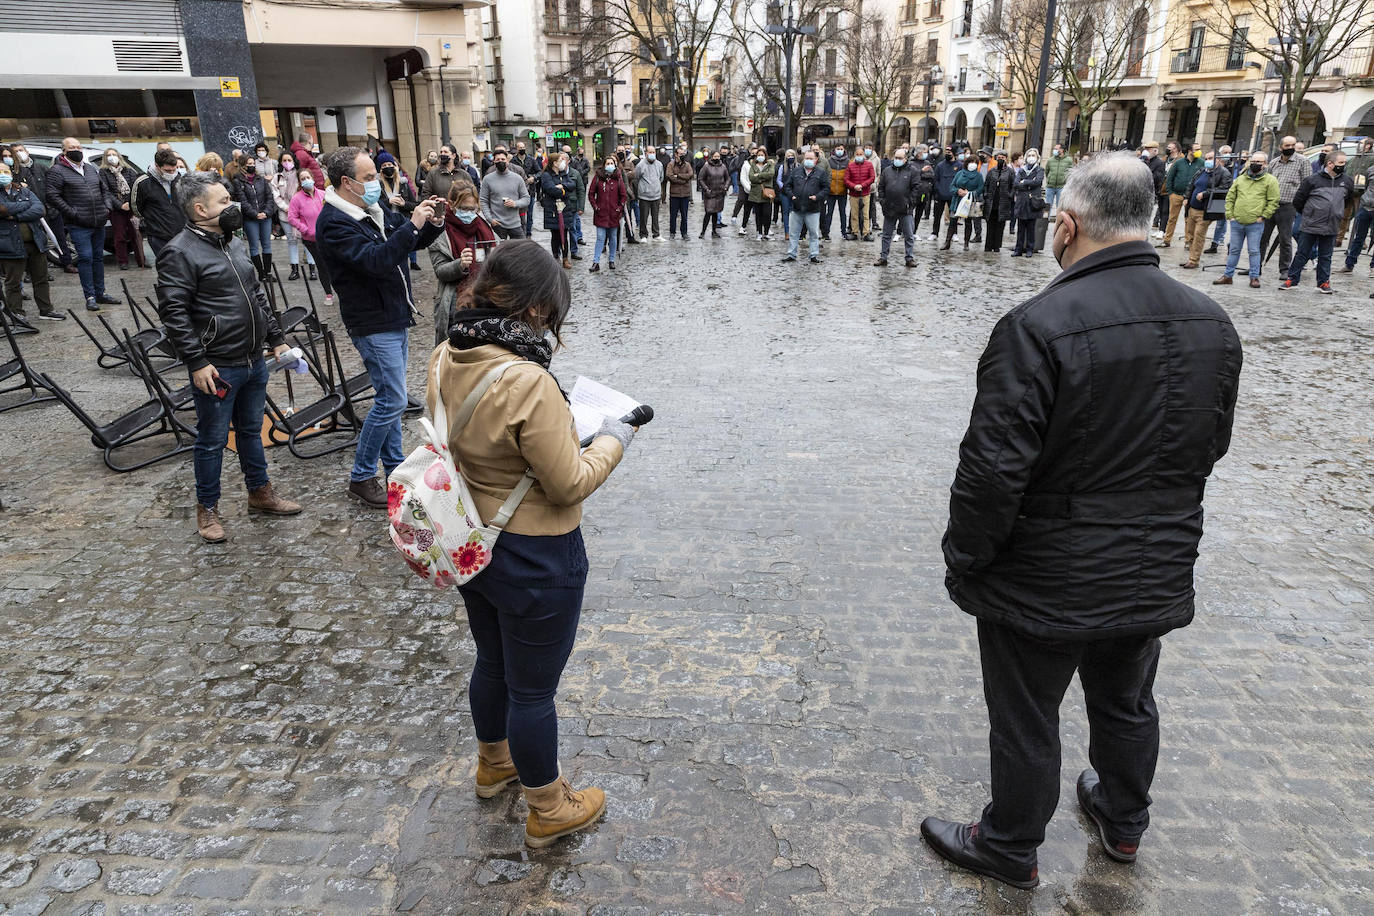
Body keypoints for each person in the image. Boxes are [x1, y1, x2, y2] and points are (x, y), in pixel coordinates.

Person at [922, 153, 1242, 891]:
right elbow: (1210, 444)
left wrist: (968, 558)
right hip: (1152, 554)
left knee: (1028, 711)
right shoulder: (1211, 321)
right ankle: (1123, 820)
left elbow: (993, 469)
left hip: (1045, 568)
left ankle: (1009, 843)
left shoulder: (1038, 324)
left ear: (1066, 226)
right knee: (1127, 697)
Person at [431, 240, 633, 849]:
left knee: (493, 661)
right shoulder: (527, 379)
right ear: (541, 311)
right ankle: (549, 806)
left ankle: (494, 765)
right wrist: (613, 441)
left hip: (472, 541)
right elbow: (568, 481)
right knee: (534, 690)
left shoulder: (447, 352)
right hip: (537, 553)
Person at [154, 172, 303, 543]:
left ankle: (260, 492)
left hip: (253, 359)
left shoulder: (233, 242)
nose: (232, 206)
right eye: (223, 201)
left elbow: (258, 296)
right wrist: (197, 362)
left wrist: (277, 339)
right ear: (200, 209)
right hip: (218, 366)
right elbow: (174, 314)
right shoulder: (178, 251)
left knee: (251, 431)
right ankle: (207, 510)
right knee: (212, 439)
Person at [316, 146, 443, 507]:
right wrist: (413, 224)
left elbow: (407, 241)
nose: (378, 183)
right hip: (371, 320)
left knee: (391, 398)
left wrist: (430, 223)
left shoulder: (371, 208)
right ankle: (361, 476)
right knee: (392, 401)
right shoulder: (335, 222)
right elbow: (376, 261)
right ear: (347, 182)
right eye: (370, 177)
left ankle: (395, 468)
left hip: (393, 312)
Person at [46, 138, 118, 311]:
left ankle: (101, 293)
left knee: (98, 257)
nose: (76, 150)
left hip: (98, 220)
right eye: (72, 147)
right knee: (85, 258)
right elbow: (52, 195)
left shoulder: (90, 168)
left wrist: (106, 206)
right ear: (64, 151)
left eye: (78, 147)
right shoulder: (57, 171)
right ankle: (90, 296)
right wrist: (72, 212)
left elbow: (104, 190)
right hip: (78, 223)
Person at [428, 183, 495, 342]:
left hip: (484, 300)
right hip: (455, 303)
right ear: (451, 205)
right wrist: (460, 265)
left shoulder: (483, 226)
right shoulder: (441, 231)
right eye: (464, 208)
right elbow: (440, 271)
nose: (470, 213)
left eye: (473, 209)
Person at [1281, 151, 1355, 294]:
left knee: (1326, 256)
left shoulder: (1347, 181)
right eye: (1341, 163)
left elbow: (1347, 200)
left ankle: (1323, 283)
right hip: (1311, 224)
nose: (1343, 165)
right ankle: (1292, 279)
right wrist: (1310, 214)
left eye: (1344, 163)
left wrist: (1336, 213)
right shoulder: (1312, 180)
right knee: (1302, 253)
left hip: (1332, 225)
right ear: (1330, 164)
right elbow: (1298, 201)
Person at [0, 160, 60, 323]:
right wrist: (24, 206)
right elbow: (2, 209)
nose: (3, 175)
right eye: (0, 172)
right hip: (10, 244)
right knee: (13, 282)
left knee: (41, 278)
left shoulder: (22, 190)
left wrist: (16, 214)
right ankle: (17, 314)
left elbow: (39, 209)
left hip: (35, 241)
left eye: (6, 172)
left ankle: (46, 310)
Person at [1215, 151, 1279, 289]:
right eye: (1253, 161)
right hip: (1237, 221)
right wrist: (1230, 215)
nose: (1255, 164)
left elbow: (1273, 201)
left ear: (1265, 164)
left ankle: (1254, 277)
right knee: (1234, 250)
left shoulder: (1270, 180)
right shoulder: (1240, 179)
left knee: (1254, 250)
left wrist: (1263, 217)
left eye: (1259, 162)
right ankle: (1228, 275)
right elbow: (1230, 197)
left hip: (1255, 223)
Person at [10, 143, 74, 274]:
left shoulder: (41, 167)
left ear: (26, 151)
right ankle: (35, 271)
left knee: (60, 238)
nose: (19, 153)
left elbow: (53, 187)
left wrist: (54, 206)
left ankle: (67, 263)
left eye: (20, 150)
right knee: (36, 242)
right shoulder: (14, 173)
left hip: (51, 210)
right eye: (15, 152)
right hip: (31, 212)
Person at [286, 169, 333, 304]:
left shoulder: (324, 194)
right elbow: (292, 217)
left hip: (328, 236)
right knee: (322, 265)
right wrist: (304, 229)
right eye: (302, 178)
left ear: (312, 178)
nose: (306, 180)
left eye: (307, 177)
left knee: (334, 263)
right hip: (311, 239)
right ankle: (328, 294)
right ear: (300, 182)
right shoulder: (297, 198)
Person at [1262, 136, 1307, 277]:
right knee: (1263, 237)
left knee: (1285, 238)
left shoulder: (1302, 162)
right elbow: (1266, 182)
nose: (1290, 148)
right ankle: (1255, 267)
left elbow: (1306, 184)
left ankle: (1285, 269)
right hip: (1271, 204)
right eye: (1287, 145)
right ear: (1280, 147)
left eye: (1292, 145)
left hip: (1288, 205)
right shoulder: (1274, 163)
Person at [1181, 149, 1231, 270]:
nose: (1208, 161)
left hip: (1205, 210)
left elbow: (1224, 189)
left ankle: (1194, 260)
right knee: (1190, 235)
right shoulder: (1202, 170)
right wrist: (1186, 197)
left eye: (1211, 158)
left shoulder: (1224, 173)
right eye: (1207, 158)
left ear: (1218, 160)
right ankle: (1191, 257)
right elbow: (1191, 184)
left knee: (1199, 235)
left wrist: (1205, 194)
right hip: (1192, 208)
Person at [99, 148, 147, 270]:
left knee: (136, 235)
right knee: (119, 236)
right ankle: (123, 261)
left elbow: (135, 187)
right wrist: (120, 205)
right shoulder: (103, 173)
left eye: (114, 154)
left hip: (131, 207)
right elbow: (106, 191)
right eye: (109, 155)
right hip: (117, 210)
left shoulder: (129, 171)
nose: (112, 157)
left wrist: (131, 204)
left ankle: (141, 260)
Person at [230, 155, 276, 281]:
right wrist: (255, 214)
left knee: (267, 245)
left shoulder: (260, 179)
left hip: (265, 217)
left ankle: (268, 272)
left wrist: (266, 212)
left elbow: (269, 197)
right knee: (254, 246)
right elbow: (242, 201)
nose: (252, 165)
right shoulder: (237, 181)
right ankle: (261, 273)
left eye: (253, 163)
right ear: (243, 165)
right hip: (251, 219)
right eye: (249, 163)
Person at [873, 147, 919, 268]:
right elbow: (881, 187)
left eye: (900, 158)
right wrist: (883, 201)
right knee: (886, 235)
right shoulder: (887, 171)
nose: (897, 160)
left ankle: (909, 258)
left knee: (909, 235)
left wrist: (910, 203)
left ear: (905, 159)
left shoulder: (912, 171)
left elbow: (916, 189)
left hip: (905, 209)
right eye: (896, 158)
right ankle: (883, 257)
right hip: (889, 208)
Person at [781, 149, 828, 264]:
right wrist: (791, 196)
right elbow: (787, 186)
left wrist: (817, 197)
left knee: (813, 233)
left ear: (816, 160)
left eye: (811, 158)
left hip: (812, 208)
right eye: (806, 158)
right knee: (794, 233)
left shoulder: (821, 173)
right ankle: (791, 254)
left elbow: (826, 189)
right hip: (797, 207)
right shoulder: (796, 171)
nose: (808, 161)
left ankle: (813, 255)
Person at [378, 152, 422, 271]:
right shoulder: (378, 185)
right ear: (380, 169)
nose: (388, 167)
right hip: (387, 222)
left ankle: (413, 262)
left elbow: (414, 204)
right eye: (384, 165)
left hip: (403, 219)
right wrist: (389, 201)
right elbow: (375, 205)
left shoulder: (403, 183)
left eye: (390, 164)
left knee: (410, 242)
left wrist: (403, 204)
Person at [271, 151, 310, 280]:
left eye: (289, 160)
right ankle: (294, 269)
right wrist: (286, 207)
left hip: (301, 214)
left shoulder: (300, 175)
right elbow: (275, 195)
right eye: (284, 160)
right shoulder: (277, 177)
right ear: (281, 162)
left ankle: (312, 268)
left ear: (294, 160)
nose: (287, 162)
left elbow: (305, 191)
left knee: (307, 241)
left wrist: (297, 208)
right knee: (291, 241)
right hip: (285, 214)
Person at [587, 157, 628, 272]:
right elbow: (591, 194)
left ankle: (611, 260)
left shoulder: (618, 178)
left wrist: (619, 208)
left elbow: (623, 196)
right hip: (601, 213)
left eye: (611, 163)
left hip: (614, 214)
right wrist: (595, 207)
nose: (609, 165)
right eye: (607, 163)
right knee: (600, 237)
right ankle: (596, 262)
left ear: (615, 165)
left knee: (613, 238)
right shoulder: (598, 178)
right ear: (604, 165)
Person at [480, 148, 530, 240]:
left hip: (515, 223)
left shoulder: (517, 178)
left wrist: (515, 203)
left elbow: (526, 198)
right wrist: (489, 219)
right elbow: (483, 200)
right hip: (497, 223)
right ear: (494, 161)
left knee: (521, 250)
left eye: (503, 159)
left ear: (507, 161)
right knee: (500, 252)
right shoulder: (488, 179)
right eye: (498, 159)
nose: (500, 161)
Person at [539, 152, 577, 267]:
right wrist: (565, 192)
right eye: (561, 160)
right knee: (555, 235)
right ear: (555, 163)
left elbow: (572, 184)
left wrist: (563, 188)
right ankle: (556, 257)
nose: (563, 162)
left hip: (564, 209)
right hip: (553, 210)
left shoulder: (563, 174)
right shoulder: (546, 175)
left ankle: (565, 258)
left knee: (565, 234)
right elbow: (551, 190)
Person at [1339, 155, 1374, 275]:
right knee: (1358, 237)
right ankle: (1349, 264)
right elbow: (1365, 187)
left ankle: (1373, 267)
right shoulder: (1371, 170)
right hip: (1365, 207)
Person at [1162, 146, 1201, 248]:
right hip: (1176, 194)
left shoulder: (1201, 163)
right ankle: (1167, 240)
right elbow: (1170, 177)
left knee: (1189, 219)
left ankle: (1188, 241)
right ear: (1189, 151)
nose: (1199, 151)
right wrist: (1170, 192)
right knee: (1172, 219)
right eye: (1196, 149)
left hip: (1191, 196)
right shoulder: (1179, 163)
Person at [944, 157, 985, 250]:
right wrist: (958, 191)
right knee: (953, 221)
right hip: (957, 200)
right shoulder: (959, 173)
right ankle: (947, 242)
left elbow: (980, 189)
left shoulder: (978, 176)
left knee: (968, 222)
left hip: (970, 201)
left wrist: (969, 193)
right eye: (971, 162)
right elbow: (952, 186)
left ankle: (966, 243)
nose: (973, 164)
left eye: (975, 162)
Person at [1011, 150, 1045, 257]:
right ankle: (1018, 249)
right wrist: (1030, 183)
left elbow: (1038, 182)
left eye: (1033, 155)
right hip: (1022, 202)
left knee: (1031, 228)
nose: (1031, 157)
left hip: (1032, 202)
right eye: (1029, 155)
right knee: (1020, 228)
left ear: (1037, 157)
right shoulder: (1021, 170)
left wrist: (1024, 182)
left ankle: (1030, 248)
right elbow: (1016, 184)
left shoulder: (1040, 170)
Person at [982, 151, 1014, 253]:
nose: (1000, 159)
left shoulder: (1010, 171)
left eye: (1003, 157)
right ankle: (988, 245)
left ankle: (996, 246)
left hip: (1003, 203)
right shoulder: (992, 171)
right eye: (999, 157)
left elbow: (1014, 185)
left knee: (1000, 226)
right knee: (990, 225)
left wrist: (1010, 195)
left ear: (1006, 158)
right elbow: (986, 184)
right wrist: (986, 195)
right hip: (991, 202)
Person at [632, 147, 665, 240]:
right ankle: (643, 235)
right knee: (644, 217)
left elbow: (661, 178)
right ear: (646, 153)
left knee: (655, 216)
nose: (652, 154)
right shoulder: (640, 165)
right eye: (650, 152)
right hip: (644, 196)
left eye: (653, 152)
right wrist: (643, 188)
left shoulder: (659, 164)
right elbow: (636, 178)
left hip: (656, 195)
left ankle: (656, 234)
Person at [845, 149, 877, 242]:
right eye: (857, 154)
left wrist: (862, 185)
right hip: (853, 194)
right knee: (854, 214)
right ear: (855, 155)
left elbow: (872, 177)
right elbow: (846, 179)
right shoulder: (850, 165)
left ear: (863, 155)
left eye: (861, 154)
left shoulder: (869, 164)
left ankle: (866, 233)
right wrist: (854, 186)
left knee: (866, 214)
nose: (859, 155)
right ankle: (854, 232)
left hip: (865, 193)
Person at [697, 152, 729, 239]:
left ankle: (714, 231)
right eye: (715, 156)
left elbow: (727, 178)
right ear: (712, 157)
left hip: (719, 193)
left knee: (716, 212)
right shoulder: (706, 166)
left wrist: (725, 187)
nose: (717, 158)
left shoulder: (723, 166)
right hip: (710, 193)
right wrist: (706, 189)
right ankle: (703, 231)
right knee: (708, 212)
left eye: (718, 156)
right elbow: (701, 178)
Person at [746, 149, 776, 240]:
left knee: (767, 214)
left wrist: (758, 175)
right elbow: (751, 177)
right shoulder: (753, 165)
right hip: (755, 194)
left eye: (762, 155)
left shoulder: (770, 165)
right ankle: (759, 232)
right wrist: (763, 177)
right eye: (759, 155)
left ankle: (766, 233)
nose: (760, 156)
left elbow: (771, 174)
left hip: (767, 193)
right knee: (758, 214)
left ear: (765, 156)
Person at [666, 149, 695, 240]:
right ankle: (672, 233)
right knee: (673, 215)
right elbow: (669, 176)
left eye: (683, 154)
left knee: (684, 215)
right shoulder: (671, 164)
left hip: (685, 194)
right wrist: (684, 179)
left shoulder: (687, 164)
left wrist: (678, 175)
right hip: (674, 194)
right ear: (676, 154)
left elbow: (690, 175)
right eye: (680, 154)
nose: (682, 155)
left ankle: (684, 233)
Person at [932, 147, 959, 233]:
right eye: (946, 152)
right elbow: (935, 179)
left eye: (950, 152)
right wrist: (938, 190)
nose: (948, 154)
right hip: (940, 194)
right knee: (937, 216)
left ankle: (954, 233)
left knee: (954, 216)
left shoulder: (959, 165)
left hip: (953, 195)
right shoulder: (940, 165)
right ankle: (935, 233)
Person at [1044, 144, 1070, 216]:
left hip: (1061, 187)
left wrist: (1065, 182)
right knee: (1047, 206)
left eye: (1056, 149)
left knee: (1060, 207)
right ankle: (1045, 222)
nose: (1054, 150)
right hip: (1050, 186)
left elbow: (1070, 172)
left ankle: (1058, 224)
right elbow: (1047, 171)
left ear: (1061, 150)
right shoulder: (1050, 160)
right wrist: (1049, 179)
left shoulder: (1069, 160)